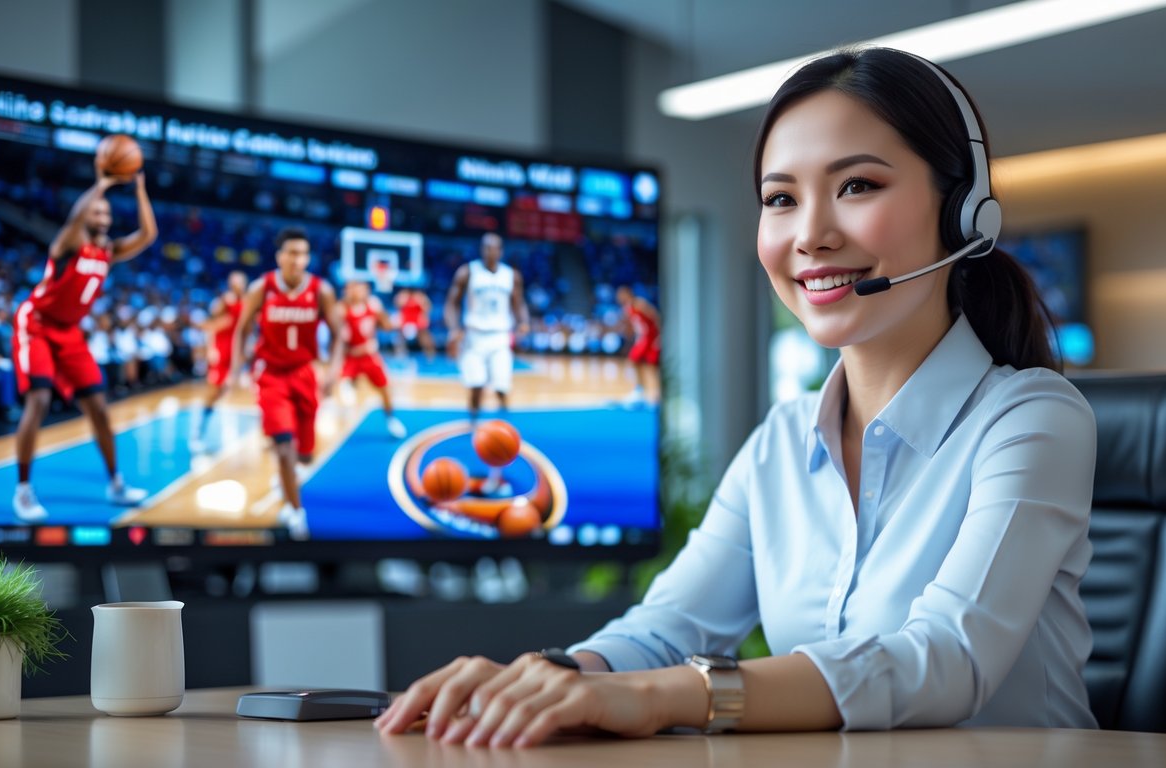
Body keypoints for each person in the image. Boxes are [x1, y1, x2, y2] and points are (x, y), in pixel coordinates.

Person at [376, 47, 1097, 747]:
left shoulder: (1031, 420)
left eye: (856, 186)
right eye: (780, 199)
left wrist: (664, 696)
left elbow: (946, 658)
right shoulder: (782, 442)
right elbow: (665, 630)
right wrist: (546, 678)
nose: (809, 235)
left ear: (962, 211)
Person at [12, 170, 158, 522]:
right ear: (86, 214)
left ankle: (116, 484)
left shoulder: (108, 251)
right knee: (40, 400)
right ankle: (23, 491)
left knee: (100, 410)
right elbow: (74, 219)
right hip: (36, 325)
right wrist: (103, 183)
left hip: (70, 332)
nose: (102, 217)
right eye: (97, 211)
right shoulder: (67, 242)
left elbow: (149, 235)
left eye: (107, 213)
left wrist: (139, 190)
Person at [230, 227, 346, 540]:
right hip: (271, 374)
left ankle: (287, 482)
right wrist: (235, 368)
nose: (297, 260)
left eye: (303, 254)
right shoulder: (262, 288)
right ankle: (296, 513)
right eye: (291, 253)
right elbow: (241, 330)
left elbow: (339, 335)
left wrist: (334, 370)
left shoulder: (322, 290)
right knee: (284, 448)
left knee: (305, 455)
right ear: (279, 256)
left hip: (305, 373)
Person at [444, 233, 531, 424]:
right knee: (476, 385)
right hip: (474, 336)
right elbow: (452, 303)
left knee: (502, 386)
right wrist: (453, 328)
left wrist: (523, 321)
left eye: (495, 248)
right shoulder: (467, 272)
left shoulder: (511, 275)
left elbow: (519, 303)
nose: (491, 251)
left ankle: (505, 424)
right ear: (481, 250)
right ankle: (473, 423)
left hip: (500, 336)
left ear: (501, 251)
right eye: (487, 247)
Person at [341, 280, 408, 439]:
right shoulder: (341, 309)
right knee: (345, 389)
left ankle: (391, 420)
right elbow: (337, 339)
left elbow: (386, 325)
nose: (356, 291)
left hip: (370, 355)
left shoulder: (373, 306)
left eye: (360, 288)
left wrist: (395, 320)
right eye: (352, 288)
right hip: (350, 356)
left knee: (385, 389)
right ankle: (345, 413)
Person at [194, 270, 248, 448]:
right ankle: (199, 432)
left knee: (227, 390)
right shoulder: (223, 302)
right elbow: (211, 326)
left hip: (234, 352)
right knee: (213, 392)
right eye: (234, 282)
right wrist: (210, 349)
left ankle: (221, 428)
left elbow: (247, 329)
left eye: (239, 282)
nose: (237, 285)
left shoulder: (247, 302)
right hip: (221, 349)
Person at [616, 286, 661, 404]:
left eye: (621, 294)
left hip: (651, 337)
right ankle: (640, 391)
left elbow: (655, 316)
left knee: (653, 367)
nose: (619, 297)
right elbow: (634, 326)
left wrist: (660, 336)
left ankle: (657, 393)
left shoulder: (639, 303)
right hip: (642, 338)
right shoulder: (627, 308)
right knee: (634, 361)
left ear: (628, 293)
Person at [393, 287, 437, 360]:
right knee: (398, 338)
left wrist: (422, 301)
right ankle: (399, 356)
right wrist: (402, 298)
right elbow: (397, 305)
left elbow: (428, 309)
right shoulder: (403, 296)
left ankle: (431, 356)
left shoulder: (420, 297)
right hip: (405, 322)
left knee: (425, 337)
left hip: (417, 322)